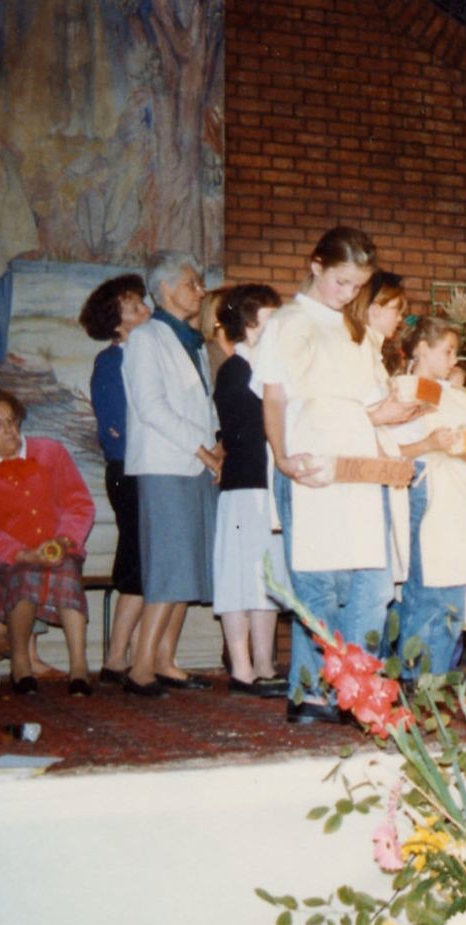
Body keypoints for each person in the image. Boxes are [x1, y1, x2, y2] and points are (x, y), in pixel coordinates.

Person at [252, 227, 427, 723]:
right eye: (341, 282)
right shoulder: (289, 323)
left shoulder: (351, 330)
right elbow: (275, 397)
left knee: (371, 586)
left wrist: (393, 411)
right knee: (319, 587)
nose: (349, 294)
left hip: (359, 465)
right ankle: (309, 692)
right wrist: (282, 456)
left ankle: (357, 689)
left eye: (357, 286)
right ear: (316, 266)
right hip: (311, 464)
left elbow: (361, 404)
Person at [122, 251, 223, 697]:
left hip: (195, 464)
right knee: (167, 567)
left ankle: (166, 660)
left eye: (200, 285)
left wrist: (216, 443)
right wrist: (203, 450)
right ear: (164, 290)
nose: (199, 292)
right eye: (191, 284)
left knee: (185, 567)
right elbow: (152, 408)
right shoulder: (147, 339)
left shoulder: (191, 341)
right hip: (166, 465)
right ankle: (140, 667)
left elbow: (202, 404)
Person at [0, 390, 96, 696]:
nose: (10, 430)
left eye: (12, 421)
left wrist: (64, 541)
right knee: (23, 577)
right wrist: (21, 553)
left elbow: (79, 504)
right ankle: (20, 664)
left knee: (66, 572)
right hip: (14, 555)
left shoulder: (51, 451)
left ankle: (79, 666)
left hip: (58, 545)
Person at [389, 318, 466, 677]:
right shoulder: (402, 389)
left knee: (456, 588)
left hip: (458, 496)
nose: (454, 359)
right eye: (447, 351)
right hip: (424, 491)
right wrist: (430, 445)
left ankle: (439, 677)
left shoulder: (454, 394)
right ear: (421, 349)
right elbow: (388, 448)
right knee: (428, 589)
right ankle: (415, 677)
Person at [211, 283, 288, 696]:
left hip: (268, 486)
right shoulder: (236, 371)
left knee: (266, 579)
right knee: (239, 577)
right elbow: (247, 433)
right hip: (245, 488)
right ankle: (241, 668)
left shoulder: (265, 368)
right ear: (250, 324)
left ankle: (263, 663)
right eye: (271, 319)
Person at [80, 273, 152, 686]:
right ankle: (114, 659)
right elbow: (115, 428)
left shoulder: (148, 354)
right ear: (116, 322)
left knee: (147, 564)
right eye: (135, 307)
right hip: (129, 470)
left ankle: (130, 657)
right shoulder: (111, 362)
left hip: (149, 470)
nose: (146, 311)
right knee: (138, 563)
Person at [347, 271, 409, 375]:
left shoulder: (371, 347)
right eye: (397, 310)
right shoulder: (362, 350)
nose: (399, 318)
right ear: (376, 310)